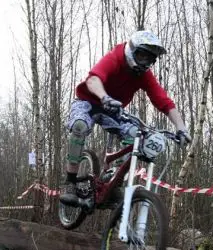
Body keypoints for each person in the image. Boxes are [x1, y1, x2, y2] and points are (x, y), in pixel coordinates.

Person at [60, 30, 191, 206]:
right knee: (79, 127)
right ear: (132, 50)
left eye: (150, 59)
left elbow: (164, 102)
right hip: (89, 101)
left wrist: (181, 128)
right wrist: (104, 97)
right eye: (142, 55)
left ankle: (113, 181)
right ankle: (70, 181)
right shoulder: (115, 57)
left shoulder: (144, 75)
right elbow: (93, 80)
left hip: (113, 110)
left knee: (135, 135)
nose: (145, 62)